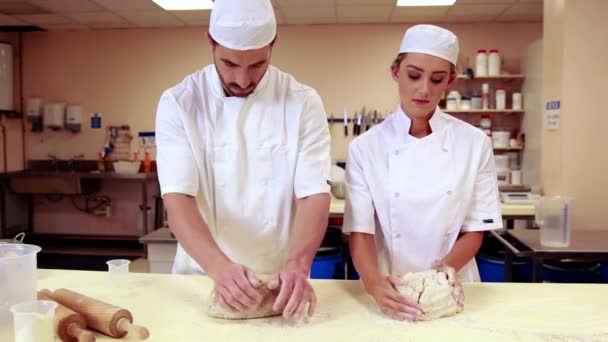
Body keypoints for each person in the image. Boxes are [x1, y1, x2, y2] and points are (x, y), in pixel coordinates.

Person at [155, 0, 331, 320]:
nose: (243, 79)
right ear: (210, 41)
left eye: (257, 65)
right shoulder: (180, 102)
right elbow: (178, 198)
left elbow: (314, 193)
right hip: (202, 274)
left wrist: (298, 265)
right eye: (230, 63)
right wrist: (219, 267)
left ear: (273, 45)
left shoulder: (302, 101)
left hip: (278, 281)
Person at [343, 25, 503, 321]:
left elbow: (475, 230)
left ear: (450, 82)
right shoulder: (365, 147)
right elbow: (361, 232)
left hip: (453, 284)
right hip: (390, 287)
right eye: (414, 75)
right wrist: (375, 285)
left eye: (437, 79)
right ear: (395, 72)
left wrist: (437, 281)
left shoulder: (474, 143)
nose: (424, 89)